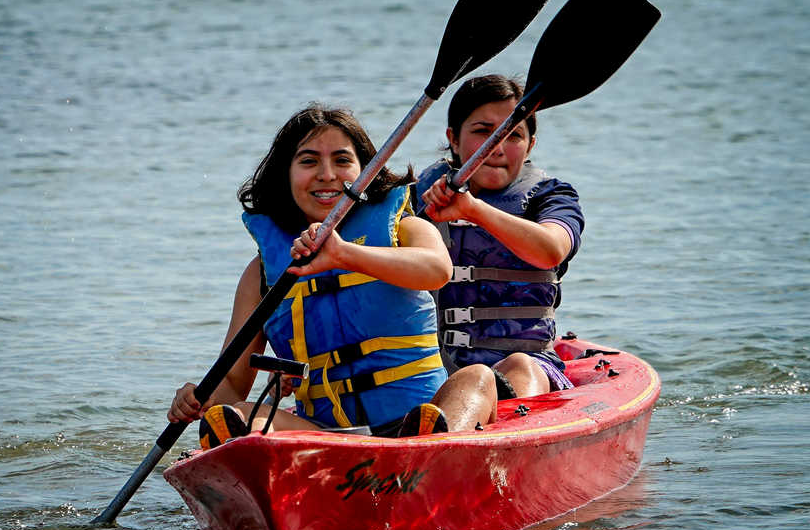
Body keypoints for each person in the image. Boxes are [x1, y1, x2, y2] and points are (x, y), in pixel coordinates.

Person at [167, 104, 453, 448]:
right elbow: (232, 381)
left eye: (343, 161)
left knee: (476, 379)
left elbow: (438, 270)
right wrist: (201, 396)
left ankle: (437, 451)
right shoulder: (263, 273)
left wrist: (344, 254)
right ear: (284, 176)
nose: (327, 174)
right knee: (240, 416)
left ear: (367, 171)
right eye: (308, 161)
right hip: (327, 436)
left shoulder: (404, 229)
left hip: (420, 419)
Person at [408, 74, 585, 433]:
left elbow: (551, 250)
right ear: (453, 139)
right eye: (483, 131)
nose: (497, 147)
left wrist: (472, 210)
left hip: (529, 368)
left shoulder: (551, 198)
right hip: (431, 368)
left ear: (530, 144)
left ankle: (466, 447)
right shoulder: (412, 200)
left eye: (513, 135)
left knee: (519, 365)